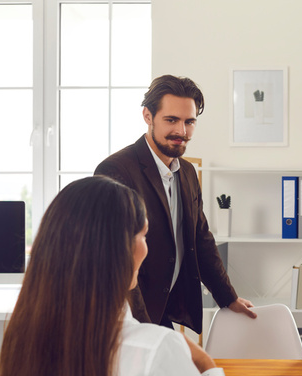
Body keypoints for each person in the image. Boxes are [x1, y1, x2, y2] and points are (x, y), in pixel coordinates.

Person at [0, 176, 240, 376]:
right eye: (144, 236)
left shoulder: (23, 338)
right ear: (119, 250)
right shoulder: (155, 351)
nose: (147, 248)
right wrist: (208, 367)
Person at [95, 75, 256, 333]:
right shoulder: (116, 170)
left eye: (189, 122)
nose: (181, 131)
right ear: (148, 116)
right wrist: (144, 329)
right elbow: (116, 259)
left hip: (164, 309)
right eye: (171, 120)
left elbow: (201, 238)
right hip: (128, 316)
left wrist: (228, 297)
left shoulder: (188, 173)